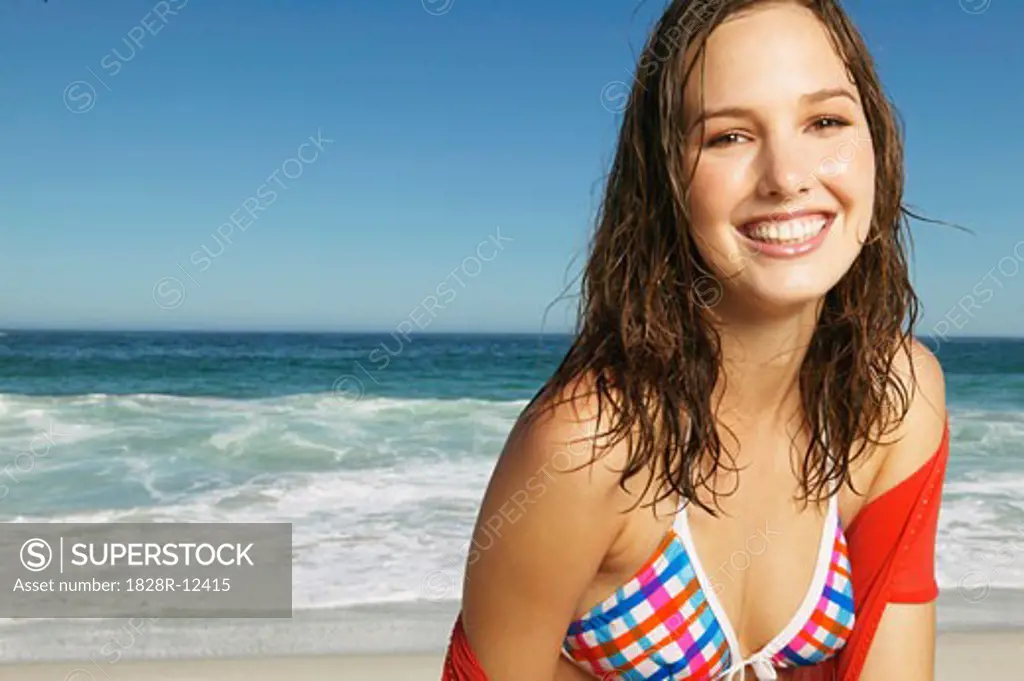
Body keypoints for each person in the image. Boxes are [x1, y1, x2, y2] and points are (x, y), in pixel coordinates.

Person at [443, 1, 950, 679]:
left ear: (877, 144)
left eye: (825, 121)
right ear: (665, 182)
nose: (787, 177)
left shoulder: (894, 402)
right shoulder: (586, 448)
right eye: (729, 137)